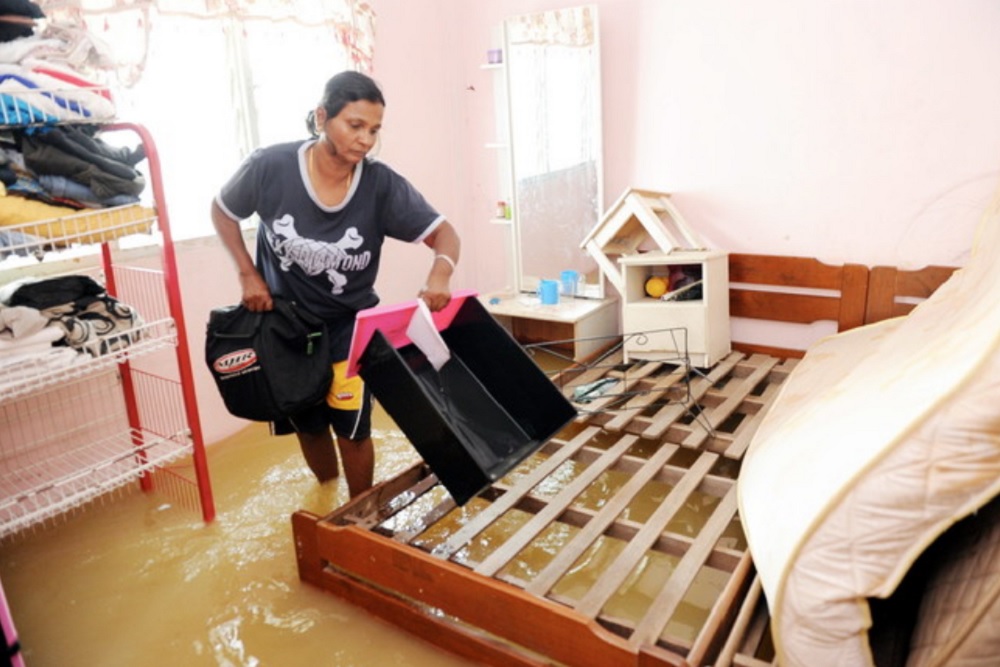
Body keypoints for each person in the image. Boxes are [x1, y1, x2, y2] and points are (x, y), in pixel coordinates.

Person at [210, 71, 461, 498]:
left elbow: (444, 233)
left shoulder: (380, 184)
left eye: (374, 130)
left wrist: (441, 272)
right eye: (355, 125)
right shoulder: (271, 166)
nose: (365, 140)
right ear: (323, 116)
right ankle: (326, 498)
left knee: (353, 429)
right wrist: (248, 274)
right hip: (286, 329)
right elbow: (222, 210)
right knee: (308, 426)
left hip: (350, 327)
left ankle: (360, 513)